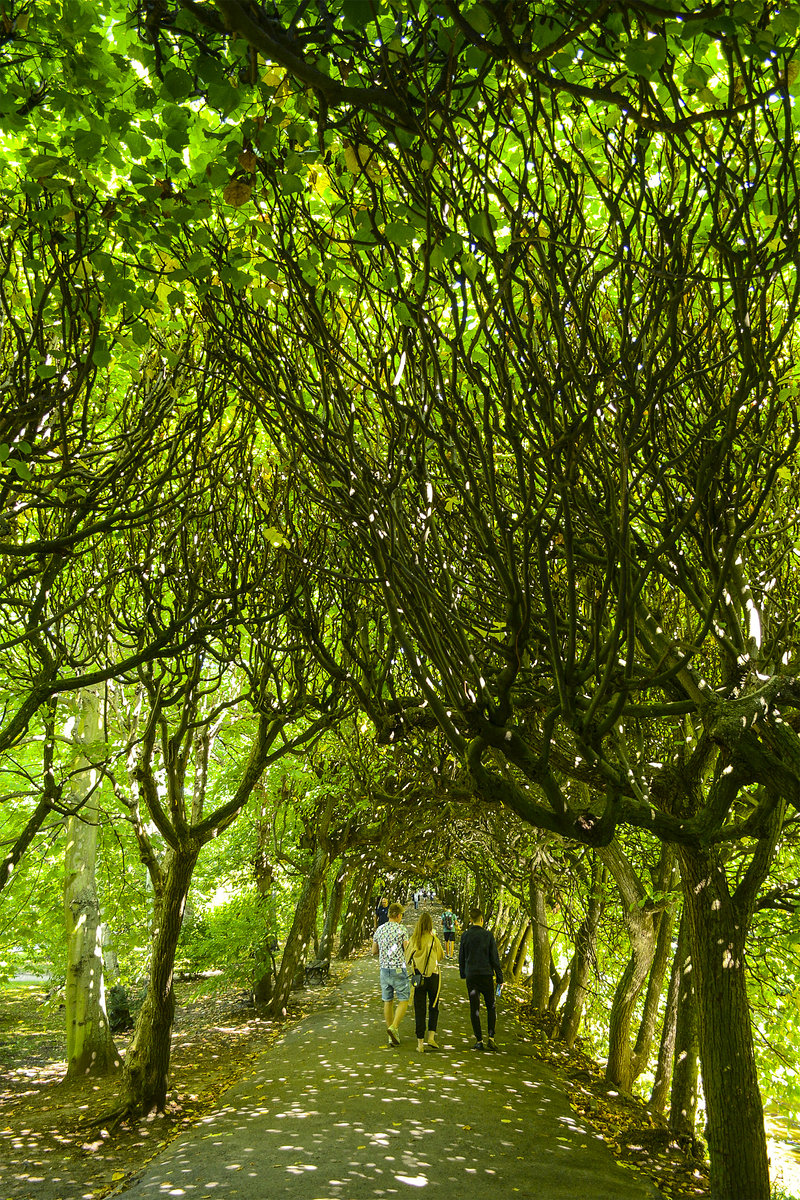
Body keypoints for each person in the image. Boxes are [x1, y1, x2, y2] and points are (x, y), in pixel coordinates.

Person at [458, 907, 503, 1051]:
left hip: (472, 975)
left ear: (471, 920)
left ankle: (479, 1040)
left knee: (474, 1008)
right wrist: (499, 977)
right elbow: (494, 958)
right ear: (482, 919)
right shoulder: (488, 935)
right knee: (491, 1006)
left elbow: (461, 956)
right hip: (486, 976)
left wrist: (463, 973)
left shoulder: (465, 936)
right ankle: (491, 1037)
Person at [405, 910, 445, 1053]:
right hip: (433, 977)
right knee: (434, 1007)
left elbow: (407, 958)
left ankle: (420, 1043)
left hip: (418, 978)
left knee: (420, 1010)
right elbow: (441, 956)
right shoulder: (434, 940)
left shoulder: (414, 939)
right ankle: (432, 1037)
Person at [372, 901, 410, 1045]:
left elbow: (374, 951)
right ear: (399, 915)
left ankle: (391, 1034)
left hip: (384, 969)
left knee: (387, 1000)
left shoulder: (380, 930)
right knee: (404, 999)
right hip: (398, 968)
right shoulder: (402, 930)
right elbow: (407, 949)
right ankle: (394, 1027)